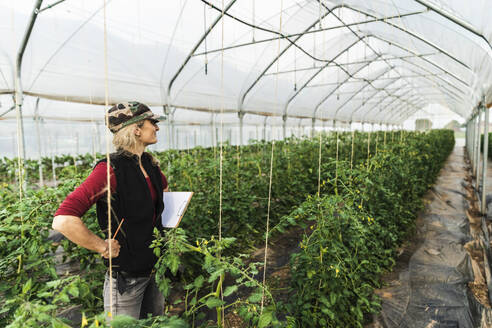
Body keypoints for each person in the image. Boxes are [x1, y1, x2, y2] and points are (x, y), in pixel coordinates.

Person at [52, 101, 169, 319]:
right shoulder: (110, 170)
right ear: (136, 129)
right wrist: (100, 245)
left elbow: (163, 194)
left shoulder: (149, 164)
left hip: (156, 269)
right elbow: (63, 220)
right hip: (127, 278)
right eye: (152, 122)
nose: (157, 127)